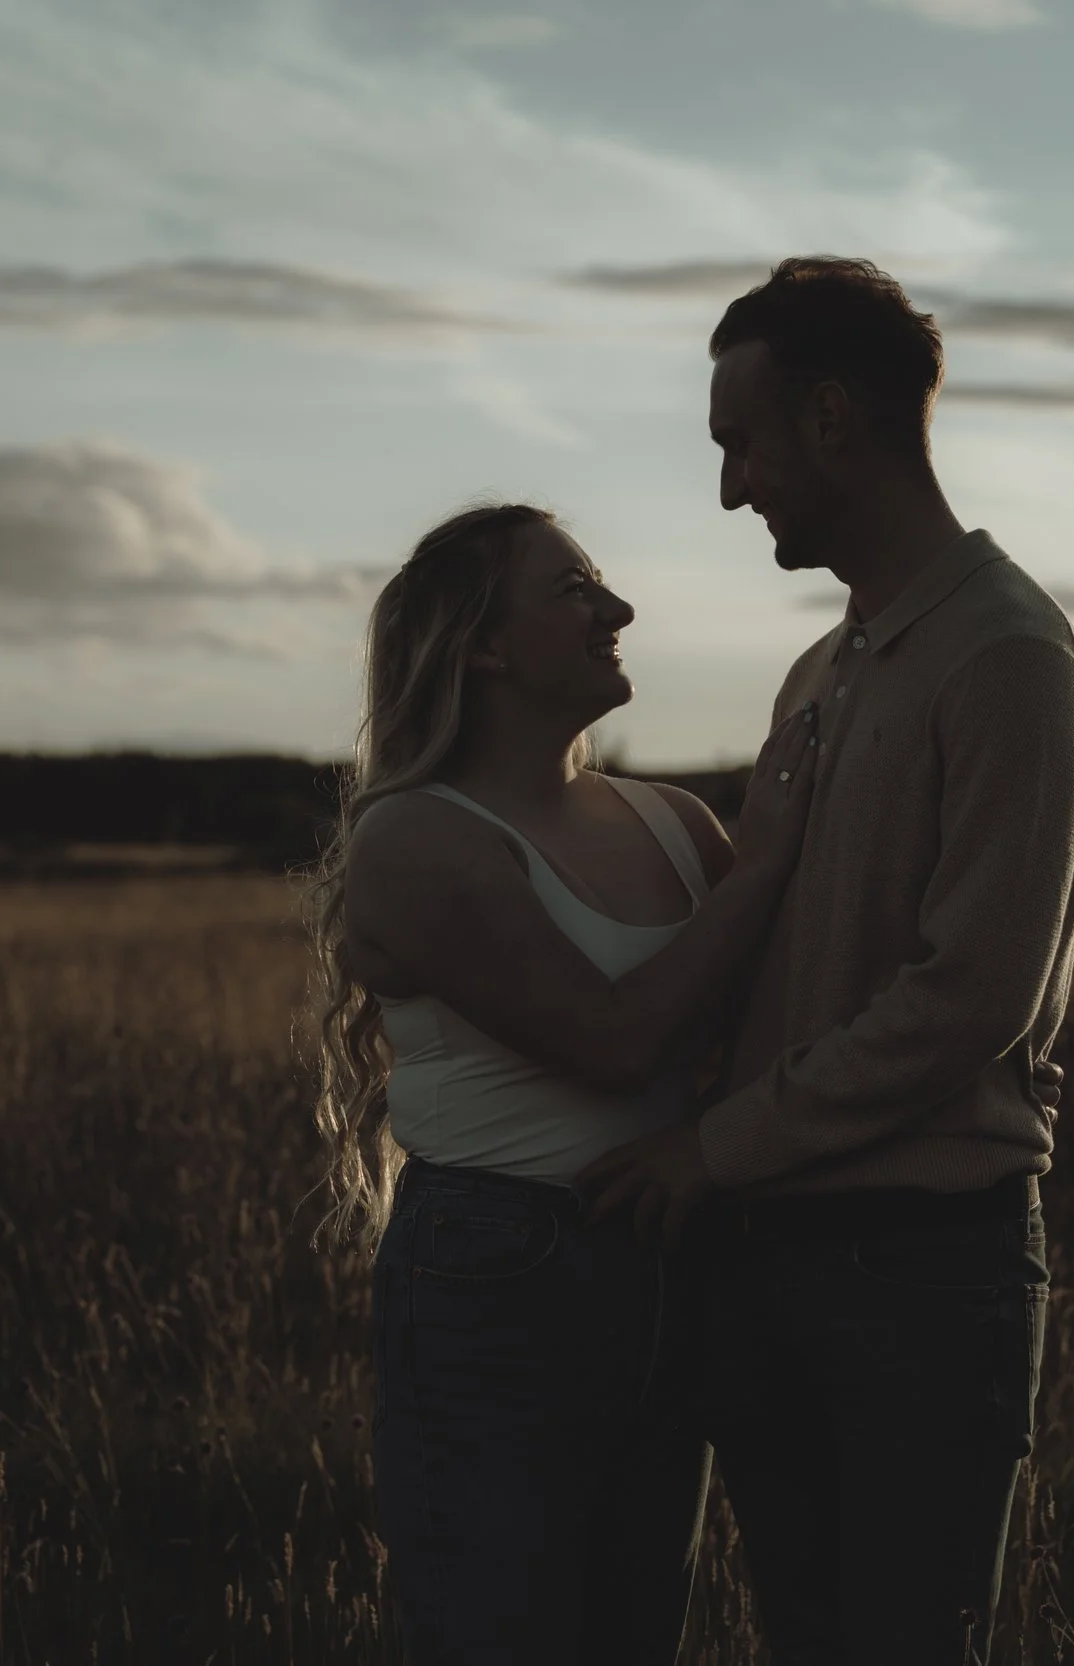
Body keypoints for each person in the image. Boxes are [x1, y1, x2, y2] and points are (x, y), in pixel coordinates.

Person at [577, 257, 1074, 1665]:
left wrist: (716, 1146)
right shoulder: (820, 674)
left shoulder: (1005, 654)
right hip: (773, 1253)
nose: (734, 489)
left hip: (920, 1273)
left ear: (827, 419)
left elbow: (967, 1002)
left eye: (739, 444)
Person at [304, 500, 822, 1665]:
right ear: (482, 646)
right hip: (499, 1271)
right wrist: (775, 854)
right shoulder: (415, 838)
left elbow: (765, 1029)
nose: (618, 609)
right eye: (574, 589)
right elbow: (615, 1040)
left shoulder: (677, 823)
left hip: (673, 1255)